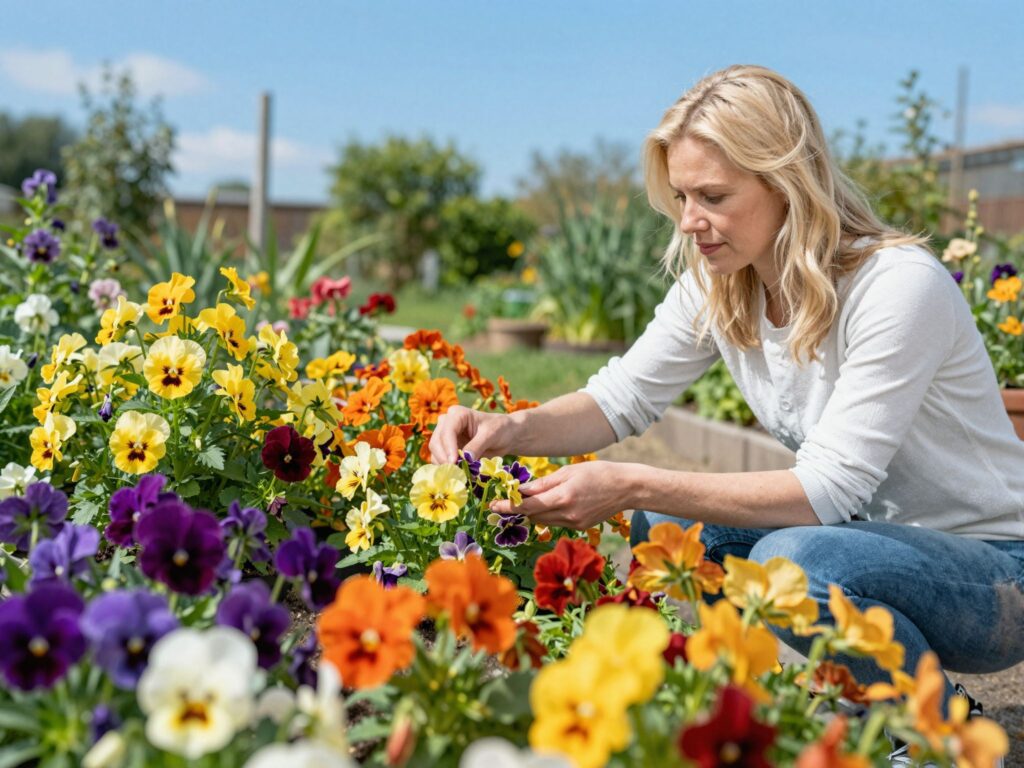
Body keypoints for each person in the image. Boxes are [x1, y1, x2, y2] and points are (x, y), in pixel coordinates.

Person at [429, 64, 1024, 764]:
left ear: (787, 182)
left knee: (793, 562)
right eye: (681, 195)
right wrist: (511, 428)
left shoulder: (896, 287)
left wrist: (633, 482)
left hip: (995, 577)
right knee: (674, 529)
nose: (689, 221)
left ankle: (944, 738)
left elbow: (827, 492)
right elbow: (622, 398)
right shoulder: (722, 282)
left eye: (712, 195)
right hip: (875, 547)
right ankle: (764, 716)